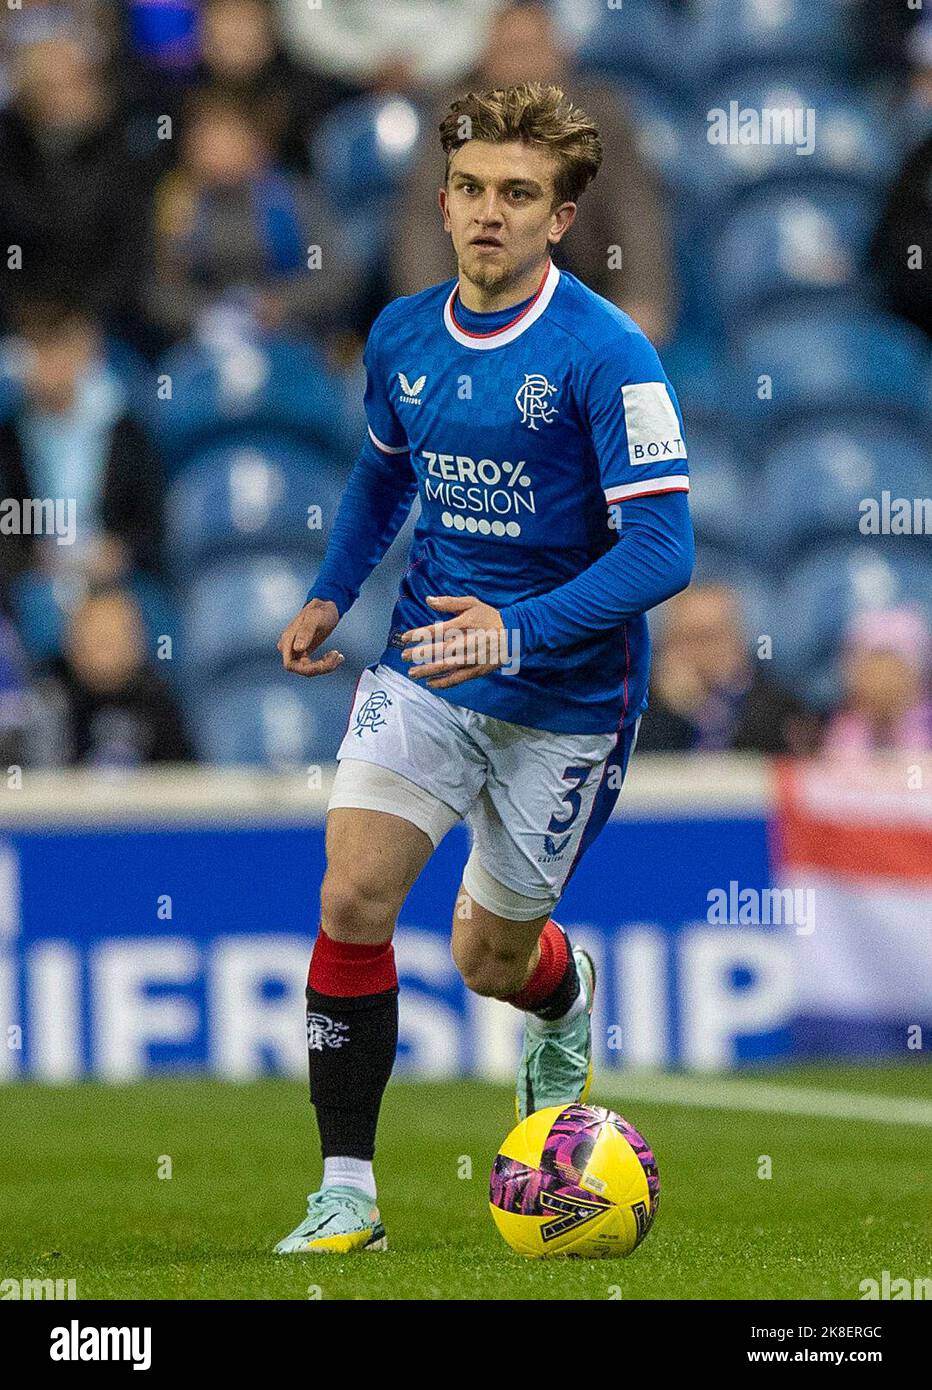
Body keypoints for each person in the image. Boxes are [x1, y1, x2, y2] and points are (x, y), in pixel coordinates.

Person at [274, 82, 694, 1253]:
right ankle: (346, 1191)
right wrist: (329, 588)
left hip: (563, 700)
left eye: (518, 194)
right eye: (469, 189)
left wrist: (514, 629)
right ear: (444, 198)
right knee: (352, 895)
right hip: (425, 664)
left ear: (559, 219)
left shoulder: (609, 354)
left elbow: (665, 549)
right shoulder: (402, 332)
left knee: (483, 957)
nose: (487, 213)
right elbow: (382, 471)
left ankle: (558, 992)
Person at [390, 0, 675, 344]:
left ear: (559, 54)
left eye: (531, 48)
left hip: (588, 298)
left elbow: (636, 219)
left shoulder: (602, 115)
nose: (522, 65)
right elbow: (424, 229)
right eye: (510, 50)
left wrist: (641, 303)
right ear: (485, 58)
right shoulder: (455, 121)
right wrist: (436, 318)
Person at [635, 584, 822, 755]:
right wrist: (675, 713)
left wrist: (715, 707)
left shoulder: (777, 706)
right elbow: (644, 769)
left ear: (737, 640)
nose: (699, 652)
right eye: (686, 638)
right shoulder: (639, 708)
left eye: (709, 637)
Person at [822, 608, 931, 755]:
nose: (883, 684)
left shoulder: (926, 728)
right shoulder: (844, 732)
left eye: (893, 672)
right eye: (874, 674)